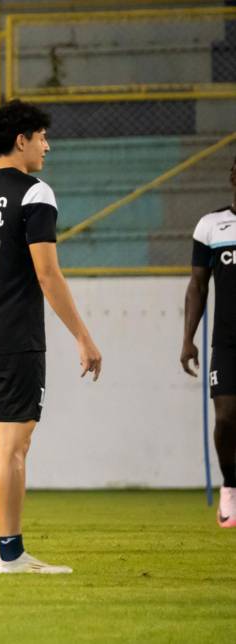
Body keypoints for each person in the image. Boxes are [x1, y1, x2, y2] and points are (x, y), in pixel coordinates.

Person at [0, 99, 102, 574]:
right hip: (16, 336)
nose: (47, 146)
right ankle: (10, 554)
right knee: (14, 445)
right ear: (21, 140)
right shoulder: (35, 194)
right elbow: (48, 274)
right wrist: (83, 337)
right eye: (42, 137)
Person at [180, 154, 236, 529]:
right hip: (227, 342)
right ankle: (231, 487)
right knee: (227, 417)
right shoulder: (212, 225)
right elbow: (198, 286)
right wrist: (188, 339)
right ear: (233, 175)